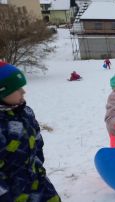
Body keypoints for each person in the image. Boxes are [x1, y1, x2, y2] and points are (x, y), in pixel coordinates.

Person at [0, 61, 61, 201]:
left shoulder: (26, 112)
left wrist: (38, 165)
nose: (23, 91)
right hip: (11, 191)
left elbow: (37, 140)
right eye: (17, 88)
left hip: (37, 179)